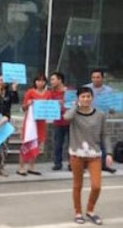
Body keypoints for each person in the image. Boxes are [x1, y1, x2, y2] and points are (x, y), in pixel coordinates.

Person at [64, 87, 114, 225]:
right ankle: (78, 212)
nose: (86, 99)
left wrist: (109, 153)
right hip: (77, 153)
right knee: (77, 185)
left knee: (96, 185)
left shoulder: (100, 114)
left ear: (92, 98)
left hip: (94, 154)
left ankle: (90, 210)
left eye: (88, 96)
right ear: (78, 98)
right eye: (83, 97)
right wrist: (75, 106)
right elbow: (66, 118)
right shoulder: (74, 113)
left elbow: (105, 135)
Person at [84, 69, 117, 174]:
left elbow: (113, 106)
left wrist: (113, 108)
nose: (95, 79)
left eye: (98, 77)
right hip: (88, 119)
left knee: (103, 143)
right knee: (87, 143)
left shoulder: (109, 91)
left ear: (102, 78)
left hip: (102, 120)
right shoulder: (86, 88)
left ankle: (104, 165)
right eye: (93, 77)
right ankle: (86, 164)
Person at [17, 73, 51, 176]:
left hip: (41, 122)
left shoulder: (48, 93)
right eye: (38, 80)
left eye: (42, 81)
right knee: (26, 143)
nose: (40, 83)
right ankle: (21, 166)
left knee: (37, 143)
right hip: (31, 122)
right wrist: (28, 104)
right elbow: (23, 107)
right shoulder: (30, 92)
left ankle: (31, 166)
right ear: (35, 82)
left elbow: (50, 107)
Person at [50, 72, 70, 171]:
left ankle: (72, 163)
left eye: (53, 79)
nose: (51, 82)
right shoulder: (51, 93)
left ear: (60, 80)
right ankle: (57, 163)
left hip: (70, 122)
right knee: (58, 144)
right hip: (58, 122)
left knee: (72, 144)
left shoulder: (70, 91)